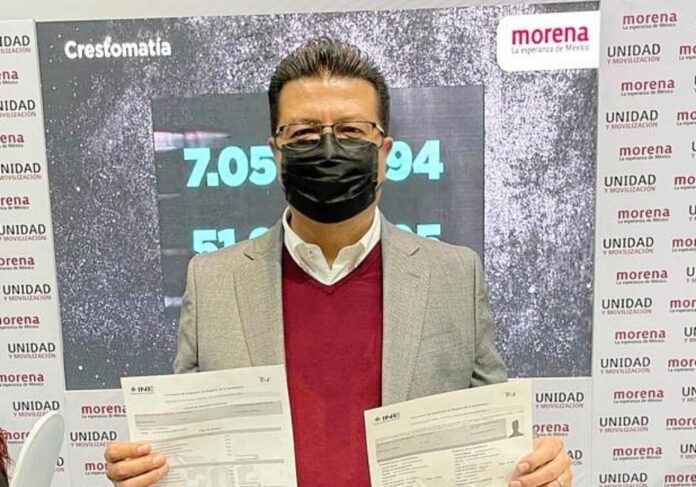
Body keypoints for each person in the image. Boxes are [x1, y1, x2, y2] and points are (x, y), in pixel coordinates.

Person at [105, 38, 572, 487]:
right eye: (304, 132)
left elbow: (496, 442)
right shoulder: (213, 281)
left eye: (351, 131)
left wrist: (538, 471)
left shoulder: (455, 276)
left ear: (384, 153)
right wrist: (146, 473)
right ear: (275, 152)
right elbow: (187, 447)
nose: (328, 148)